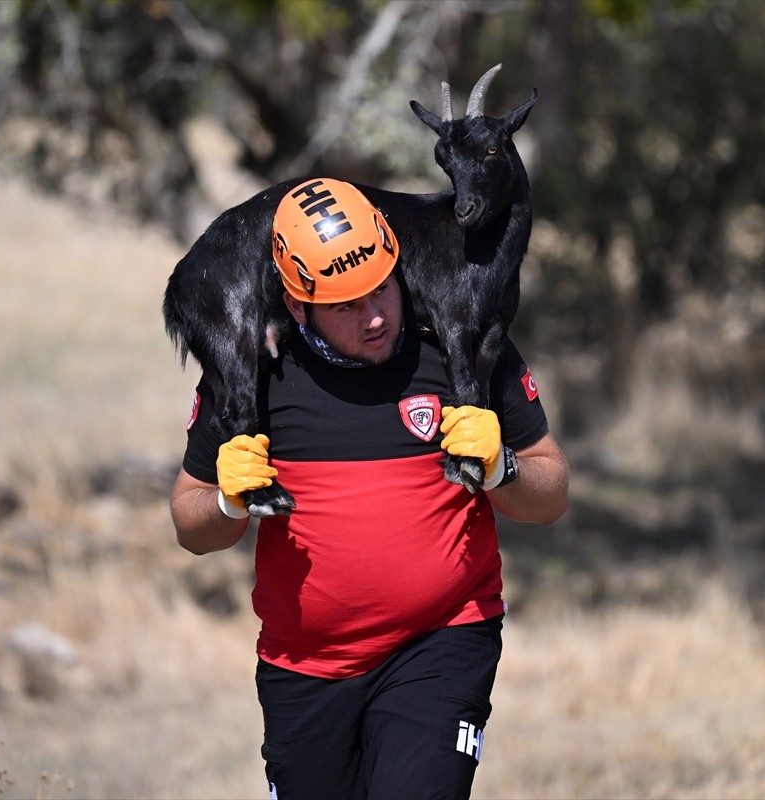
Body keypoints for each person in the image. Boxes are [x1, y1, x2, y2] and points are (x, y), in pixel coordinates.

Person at [170, 178, 569, 800]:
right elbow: (190, 524)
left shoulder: (460, 339)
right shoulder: (254, 373)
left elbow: (552, 494)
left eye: (382, 288)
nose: (376, 316)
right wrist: (227, 502)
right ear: (296, 306)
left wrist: (501, 470)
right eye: (346, 306)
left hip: (441, 641)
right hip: (303, 668)